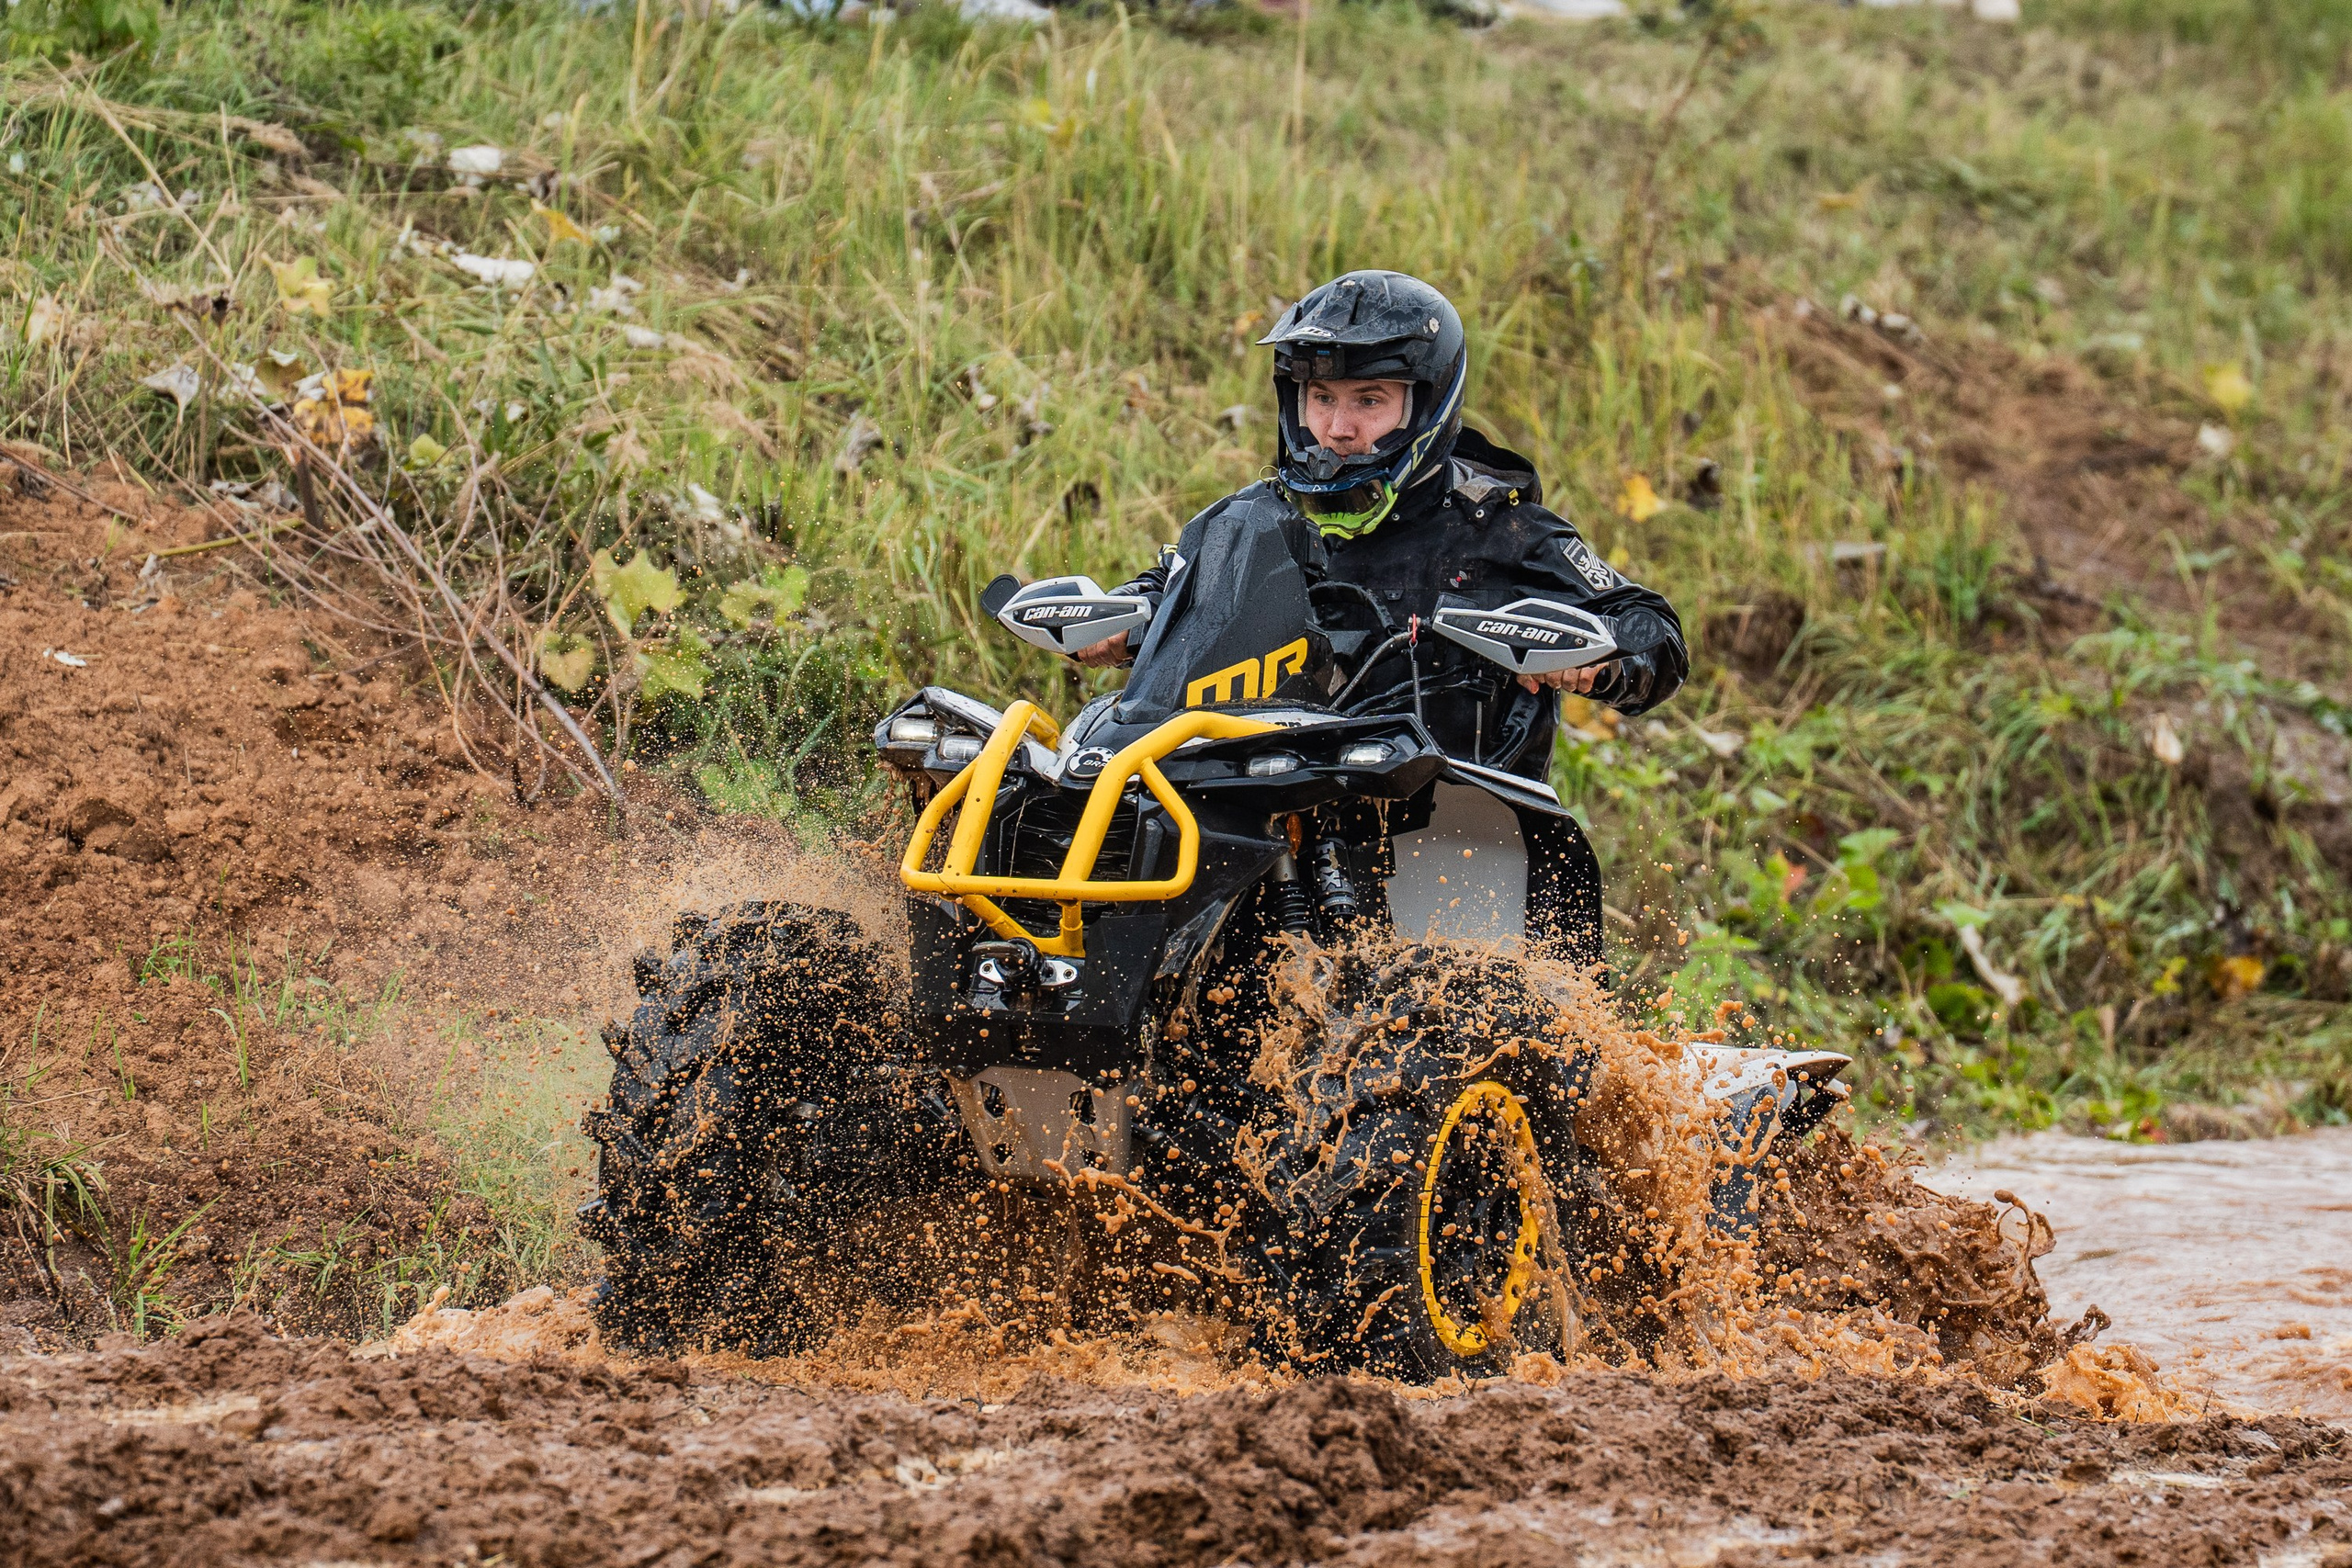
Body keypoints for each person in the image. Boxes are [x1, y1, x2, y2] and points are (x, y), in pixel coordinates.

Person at [1068, 269, 1686, 780]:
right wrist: (1122, 619)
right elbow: (1175, 590)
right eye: (1322, 398)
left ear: (1428, 405)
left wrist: (1599, 660)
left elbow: (1655, 633)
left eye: (1368, 400)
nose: (1338, 429)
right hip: (1267, 805)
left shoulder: (1502, 530)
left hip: (1455, 829)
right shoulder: (1257, 518)